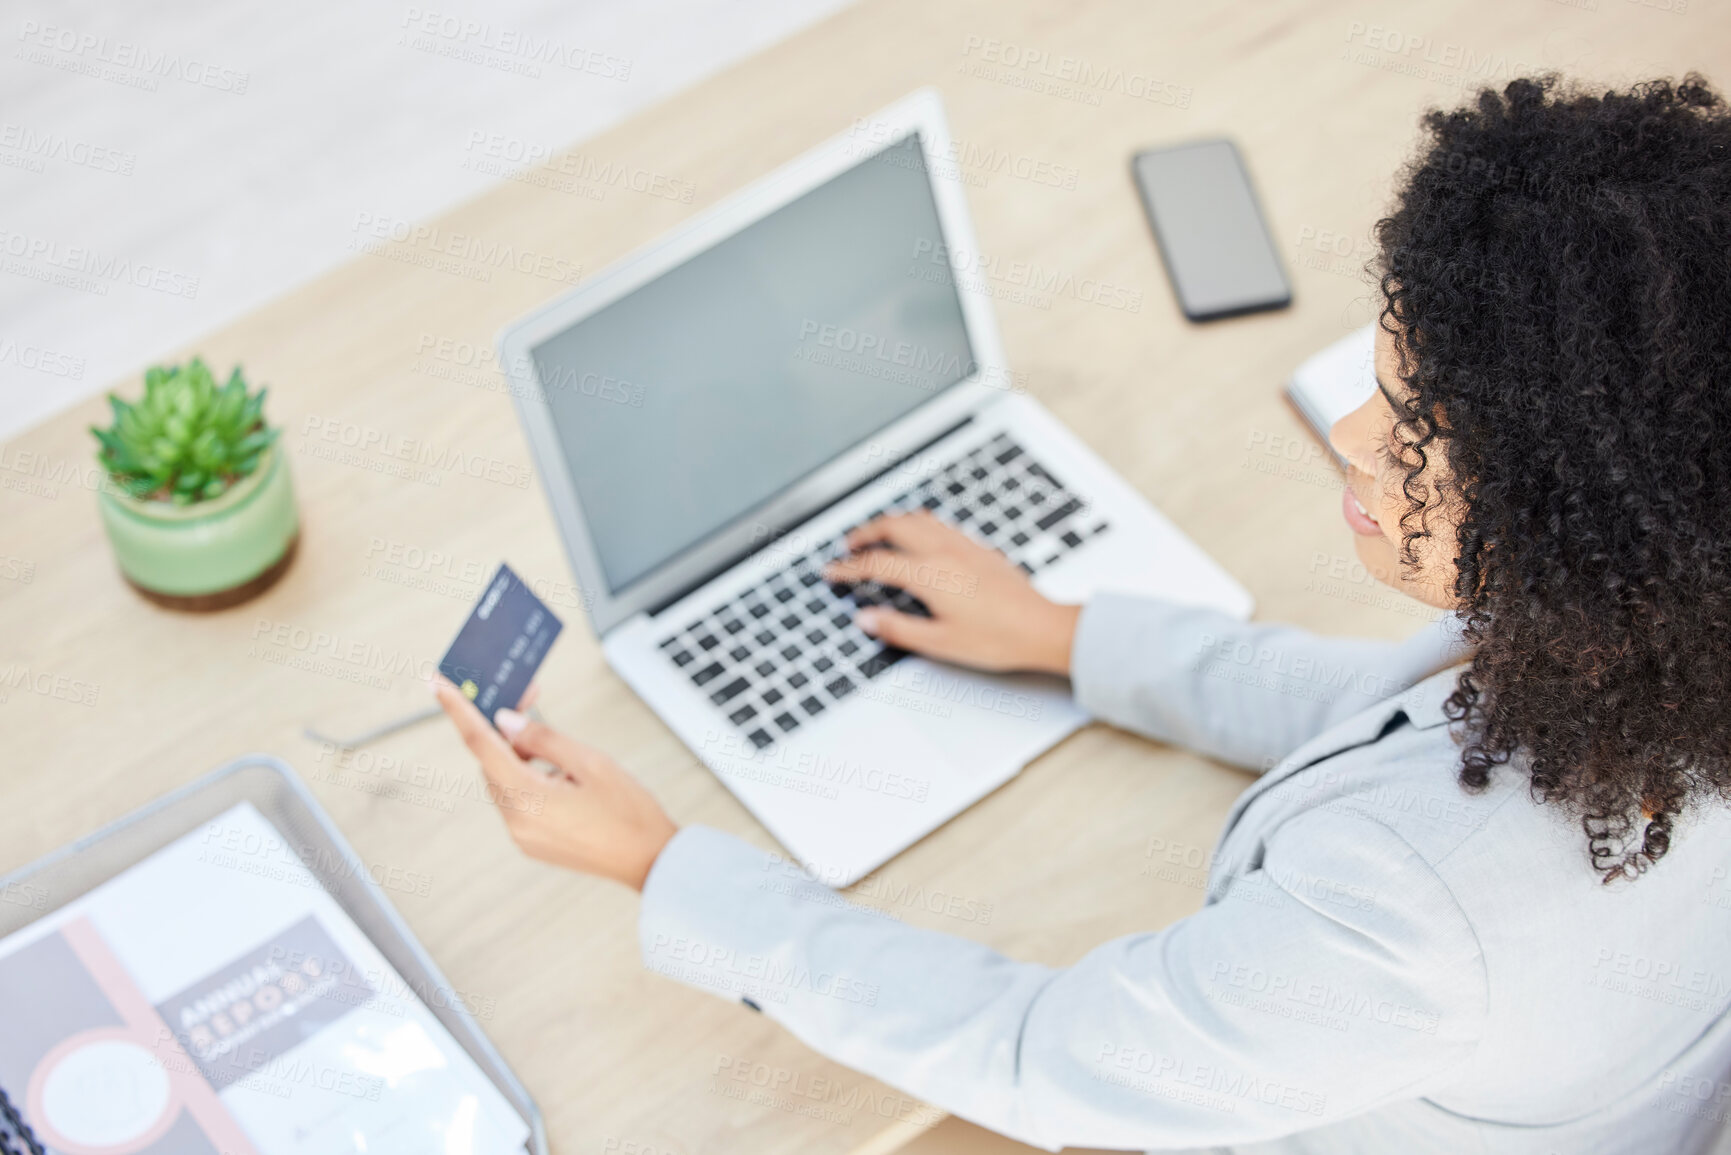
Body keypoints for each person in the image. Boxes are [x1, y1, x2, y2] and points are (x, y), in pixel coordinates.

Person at [432, 76, 1731, 1153]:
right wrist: (1064, 638)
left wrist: (662, 866)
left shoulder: (1409, 923)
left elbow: (1035, 1055)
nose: (1345, 440)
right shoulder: (1654, 644)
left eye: (1412, 444)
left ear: (1587, 530)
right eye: (1384, 394)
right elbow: (1391, 706)